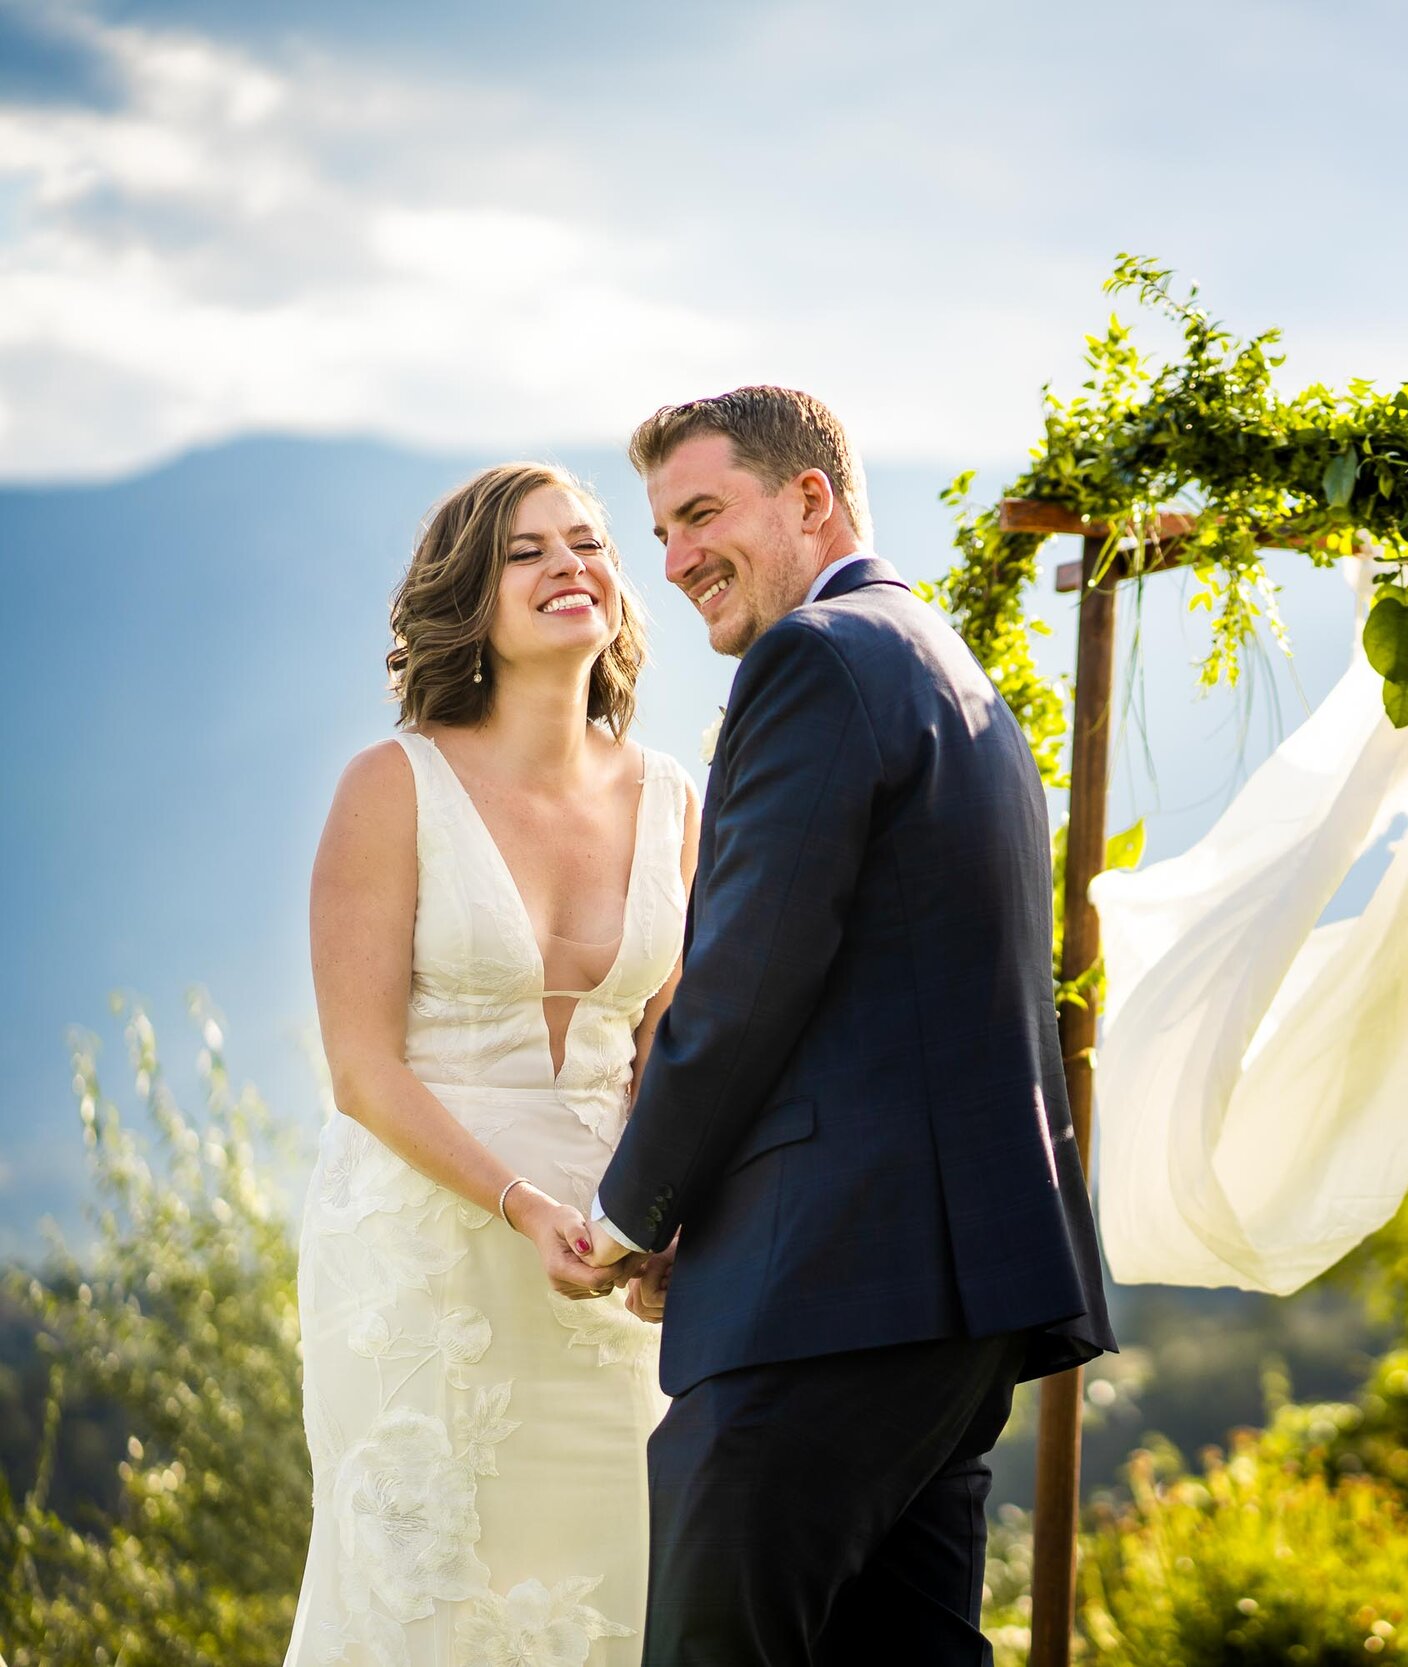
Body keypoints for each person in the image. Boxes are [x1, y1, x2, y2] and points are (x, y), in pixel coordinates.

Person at [578, 386, 1115, 1663]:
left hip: (830, 1285)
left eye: (703, 512)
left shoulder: (815, 657)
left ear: (810, 496)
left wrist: (633, 1209)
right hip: (948, 1289)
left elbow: (750, 977)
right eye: (660, 530)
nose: (676, 559)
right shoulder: (935, 654)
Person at [287, 463, 700, 1665]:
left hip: (609, 1261)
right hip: (426, 1256)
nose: (570, 563)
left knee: (615, 1586)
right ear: (470, 597)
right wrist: (518, 1204)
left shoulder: (677, 798)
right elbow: (361, 1071)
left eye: (589, 541)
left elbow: (665, 1054)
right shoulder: (391, 784)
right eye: (527, 551)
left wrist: (665, 1214)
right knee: (421, 1595)